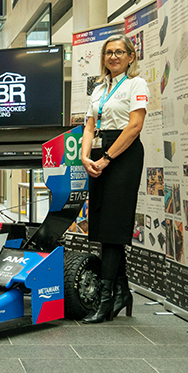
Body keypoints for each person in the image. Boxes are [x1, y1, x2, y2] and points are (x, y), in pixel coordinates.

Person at [80, 34, 148, 323]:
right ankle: (122, 292)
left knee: (113, 224)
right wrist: (86, 157)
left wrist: (107, 159)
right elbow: (89, 126)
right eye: (109, 53)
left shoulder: (136, 84)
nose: (114, 57)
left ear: (131, 56)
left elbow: (134, 127)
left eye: (120, 52)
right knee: (102, 223)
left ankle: (106, 299)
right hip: (98, 153)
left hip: (124, 155)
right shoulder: (98, 89)